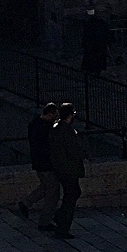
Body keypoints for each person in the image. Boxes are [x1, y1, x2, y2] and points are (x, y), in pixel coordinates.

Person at [47, 102, 86, 240]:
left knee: (72, 194)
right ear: (70, 115)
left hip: (61, 169)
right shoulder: (67, 131)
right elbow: (74, 151)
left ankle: (60, 217)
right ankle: (62, 225)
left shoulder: (56, 128)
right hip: (68, 170)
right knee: (72, 195)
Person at [18, 102, 61, 228]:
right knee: (53, 193)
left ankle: (26, 203)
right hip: (47, 164)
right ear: (50, 113)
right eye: (55, 115)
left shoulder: (34, 124)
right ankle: (45, 222)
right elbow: (49, 147)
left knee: (45, 187)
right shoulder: (46, 129)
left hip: (39, 163)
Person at [81, 9, 110, 75]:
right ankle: (95, 70)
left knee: (92, 57)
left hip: (92, 44)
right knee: (97, 58)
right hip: (98, 44)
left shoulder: (89, 24)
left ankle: (91, 70)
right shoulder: (101, 23)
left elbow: (85, 34)